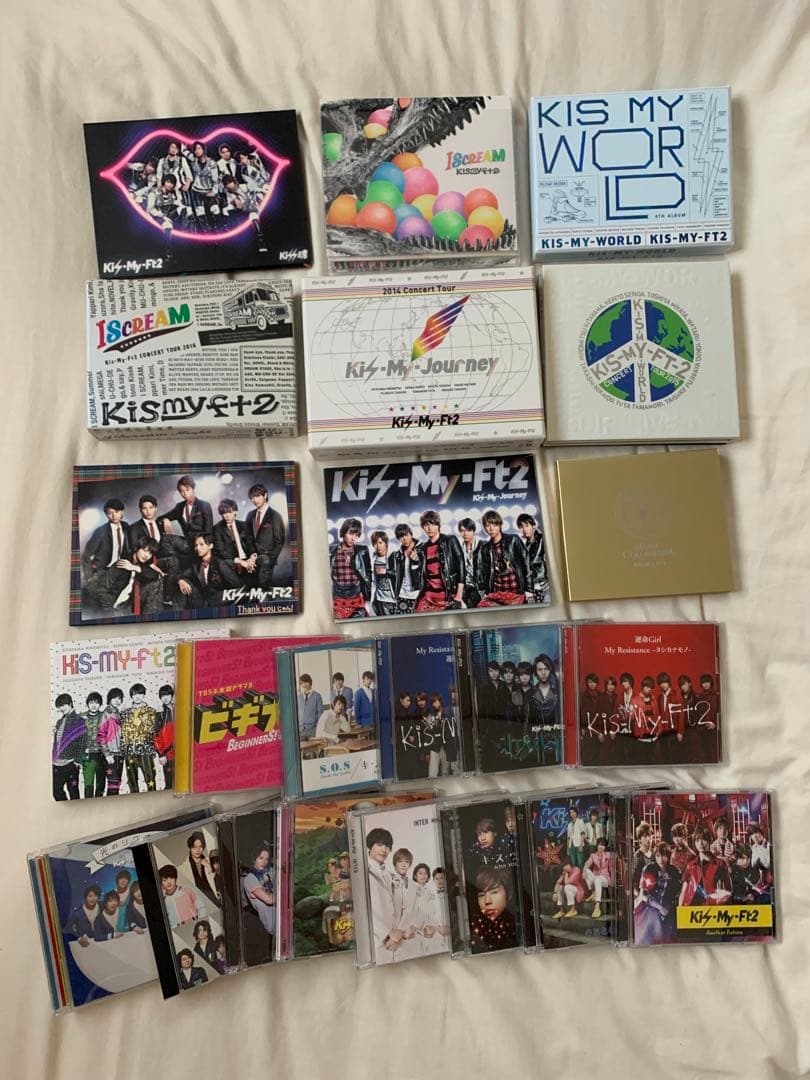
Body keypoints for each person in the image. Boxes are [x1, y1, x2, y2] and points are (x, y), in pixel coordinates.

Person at [82, 498, 132, 612]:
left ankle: (108, 614)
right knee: (97, 602)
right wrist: (89, 575)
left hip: (121, 570)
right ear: (106, 514)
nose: (114, 516)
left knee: (111, 599)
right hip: (102, 570)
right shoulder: (101, 531)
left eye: (116, 512)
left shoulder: (127, 528)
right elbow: (87, 554)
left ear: (122, 512)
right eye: (110, 513)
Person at [476, 509, 532, 607]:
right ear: (484, 528)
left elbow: (526, 563)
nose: (491, 528)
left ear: (500, 525)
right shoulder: (485, 549)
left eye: (494, 525)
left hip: (516, 592)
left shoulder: (513, 540)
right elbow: (481, 572)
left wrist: (529, 589)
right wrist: (483, 593)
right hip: (496, 593)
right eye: (488, 525)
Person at [415, 509, 464, 612]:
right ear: (423, 527)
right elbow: (422, 577)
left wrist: (458, 596)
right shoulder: (422, 549)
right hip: (429, 595)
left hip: (447, 594)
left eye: (433, 524)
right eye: (426, 525)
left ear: (438, 525)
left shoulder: (450, 541)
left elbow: (461, 567)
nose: (429, 528)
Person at [634, 842, 681, 945]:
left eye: (664, 856)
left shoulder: (674, 871)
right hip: (649, 908)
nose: (661, 859)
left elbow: (676, 893)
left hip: (668, 909)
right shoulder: (648, 869)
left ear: (668, 856)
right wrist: (660, 907)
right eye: (658, 856)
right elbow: (644, 895)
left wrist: (668, 906)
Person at [365, 827, 400, 962]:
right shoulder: (363, 871)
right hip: (376, 937)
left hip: (395, 937)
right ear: (370, 847)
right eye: (379, 845)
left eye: (387, 846)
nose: (384, 850)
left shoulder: (389, 872)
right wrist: (386, 935)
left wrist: (396, 933)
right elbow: (364, 910)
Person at [679, 823, 733, 906]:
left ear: (709, 841)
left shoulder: (720, 863)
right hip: (691, 907)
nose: (700, 843)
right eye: (697, 840)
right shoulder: (690, 865)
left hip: (713, 905)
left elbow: (728, 889)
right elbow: (684, 890)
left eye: (703, 840)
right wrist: (681, 909)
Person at [245, 483, 285, 590]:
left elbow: (279, 541)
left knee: (263, 590)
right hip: (252, 560)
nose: (254, 500)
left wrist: (270, 560)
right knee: (251, 591)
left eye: (257, 496)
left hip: (267, 560)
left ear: (265, 495)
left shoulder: (275, 516)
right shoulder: (250, 515)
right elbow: (248, 537)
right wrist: (252, 555)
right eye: (252, 497)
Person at [329, 518, 371, 619]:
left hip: (356, 597)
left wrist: (367, 599)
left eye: (357, 535)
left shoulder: (362, 551)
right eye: (351, 534)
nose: (354, 538)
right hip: (337, 598)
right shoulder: (331, 551)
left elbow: (368, 575)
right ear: (343, 532)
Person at [113, 537, 166, 615]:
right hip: (121, 605)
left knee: (156, 581)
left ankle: (152, 617)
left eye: (150, 553)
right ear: (136, 548)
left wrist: (134, 568)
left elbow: (154, 575)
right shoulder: (123, 563)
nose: (147, 555)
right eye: (145, 550)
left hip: (133, 600)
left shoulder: (142, 563)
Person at [120, 684, 158, 792]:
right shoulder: (125, 713)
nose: (137, 697)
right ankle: (134, 800)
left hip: (146, 751)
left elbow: (152, 730)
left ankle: (153, 800)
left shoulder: (151, 711)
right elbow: (122, 733)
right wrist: (123, 749)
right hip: (129, 751)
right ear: (131, 696)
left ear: (144, 695)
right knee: (132, 781)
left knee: (150, 779)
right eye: (134, 694)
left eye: (140, 694)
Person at [470, 867, 517, 951]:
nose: (487, 901)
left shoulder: (518, 924)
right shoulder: (474, 929)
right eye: (481, 895)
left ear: (509, 894)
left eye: (494, 892)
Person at [158, 475, 213, 546]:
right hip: (187, 543)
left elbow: (208, 531)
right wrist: (165, 520)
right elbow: (159, 518)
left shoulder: (204, 505)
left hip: (201, 543)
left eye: (187, 490)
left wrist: (202, 545)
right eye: (182, 491)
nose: (185, 493)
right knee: (166, 539)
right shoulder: (179, 507)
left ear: (193, 489)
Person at [212, 498, 257, 584]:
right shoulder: (217, 529)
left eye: (229, 512)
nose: (227, 516)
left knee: (263, 560)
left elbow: (250, 543)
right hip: (232, 561)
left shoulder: (243, 525)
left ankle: (261, 587)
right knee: (222, 563)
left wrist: (252, 557)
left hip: (247, 558)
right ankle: (240, 587)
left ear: (235, 512)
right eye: (224, 513)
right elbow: (221, 551)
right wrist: (240, 561)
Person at [177, 534, 228, 608]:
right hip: (202, 602)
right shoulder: (196, 566)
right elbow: (180, 575)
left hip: (220, 601)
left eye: (201, 544)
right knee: (183, 582)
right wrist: (180, 581)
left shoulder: (220, 563)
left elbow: (236, 584)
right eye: (196, 545)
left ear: (210, 546)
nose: (198, 548)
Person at [52, 693, 85, 800]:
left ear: (70, 704)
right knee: (56, 790)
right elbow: (56, 742)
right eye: (59, 706)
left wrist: (78, 761)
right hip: (56, 763)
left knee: (73, 792)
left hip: (70, 763)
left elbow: (82, 742)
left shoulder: (79, 720)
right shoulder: (59, 721)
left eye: (63, 705)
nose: (61, 708)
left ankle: (76, 810)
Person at [242, 844, 275, 934]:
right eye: (261, 858)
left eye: (266, 859)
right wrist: (283, 894)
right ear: (254, 859)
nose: (264, 862)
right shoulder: (250, 878)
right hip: (273, 926)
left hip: (283, 917)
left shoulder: (269, 872)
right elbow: (268, 900)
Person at [516, 512, 549, 603]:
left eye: (527, 526)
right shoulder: (525, 545)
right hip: (533, 588)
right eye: (521, 527)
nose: (524, 529)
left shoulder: (543, 540)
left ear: (533, 526)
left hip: (544, 586)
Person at [391, 523, 424, 614]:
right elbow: (397, 575)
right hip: (402, 595)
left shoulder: (422, 549)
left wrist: (418, 561)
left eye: (406, 535)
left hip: (418, 594)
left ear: (411, 534)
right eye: (401, 537)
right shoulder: (398, 554)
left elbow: (428, 570)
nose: (404, 539)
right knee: (402, 621)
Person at [97, 688, 125, 795]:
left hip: (119, 754)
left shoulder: (118, 714)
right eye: (114, 698)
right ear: (109, 699)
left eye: (119, 698)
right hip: (110, 754)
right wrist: (107, 754)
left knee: (116, 784)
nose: (117, 701)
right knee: (113, 784)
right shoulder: (106, 714)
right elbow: (101, 735)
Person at [186, 831, 220, 908]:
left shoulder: (208, 860)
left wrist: (208, 866)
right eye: (194, 847)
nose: (198, 850)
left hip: (212, 899)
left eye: (200, 846)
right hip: (197, 901)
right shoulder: (187, 865)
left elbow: (216, 881)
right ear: (190, 848)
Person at [583, 837, 613, 919]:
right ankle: (593, 892)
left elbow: (612, 867)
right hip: (596, 878)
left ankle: (597, 906)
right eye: (600, 845)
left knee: (598, 879)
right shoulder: (593, 855)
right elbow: (587, 863)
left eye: (603, 845)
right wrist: (584, 870)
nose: (601, 847)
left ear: (605, 847)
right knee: (587, 871)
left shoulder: (608, 855)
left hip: (605, 879)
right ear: (597, 845)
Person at [457, 517, 482, 609]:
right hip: (465, 587)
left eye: (468, 530)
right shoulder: (459, 549)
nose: (465, 534)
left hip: (480, 587)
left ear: (473, 531)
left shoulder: (483, 546)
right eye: (462, 531)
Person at [369, 531, 397, 615]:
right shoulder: (373, 559)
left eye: (380, 543)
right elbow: (373, 580)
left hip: (393, 599)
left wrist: (386, 571)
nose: (378, 546)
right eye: (375, 543)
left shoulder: (394, 556)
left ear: (386, 543)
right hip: (380, 600)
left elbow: (401, 575)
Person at [154, 684, 175, 789]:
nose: (165, 698)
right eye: (162, 696)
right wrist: (161, 754)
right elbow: (156, 735)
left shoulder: (179, 708)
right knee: (169, 783)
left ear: (172, 695)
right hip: (168, 752)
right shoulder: (160, 712)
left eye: (167, 695)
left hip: (182, 751)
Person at [296, 674, 323, 739]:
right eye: (302, 683)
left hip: (313, 729)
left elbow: (320, 713)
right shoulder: (298, 697)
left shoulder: (317, 696)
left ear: (310, 683)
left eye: (306, 682)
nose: (304, 685)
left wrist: (318, 728)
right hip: (301, 730)